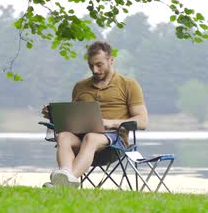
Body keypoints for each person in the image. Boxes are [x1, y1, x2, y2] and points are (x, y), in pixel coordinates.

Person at [41, 41, 148, 188]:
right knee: (63, 135)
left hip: (113, 144)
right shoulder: (80, 87)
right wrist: (53, 115)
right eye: (91, 65)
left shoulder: (129, 84)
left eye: (99, 64)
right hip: (81, 140)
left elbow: (142, 122)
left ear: (111, 60)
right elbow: (74, 120)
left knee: (91, 138)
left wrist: (110, 123)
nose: (95, 70)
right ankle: (65, 175)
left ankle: (63, 183)